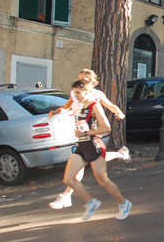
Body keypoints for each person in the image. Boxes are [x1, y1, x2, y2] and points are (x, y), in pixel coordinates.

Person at [48, 69, 130, 210]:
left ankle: (68, 195)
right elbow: (66, 107)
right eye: (80, 79)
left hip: (93, 134)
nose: (81, 82)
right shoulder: (75, 93)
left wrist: (119, 112)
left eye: (85, 80)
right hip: (81, 136)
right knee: (77, 170)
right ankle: (68, 196)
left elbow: (109, 107)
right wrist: (56, 111)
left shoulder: (96, 96)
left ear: (92, 82)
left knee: (100, 176)